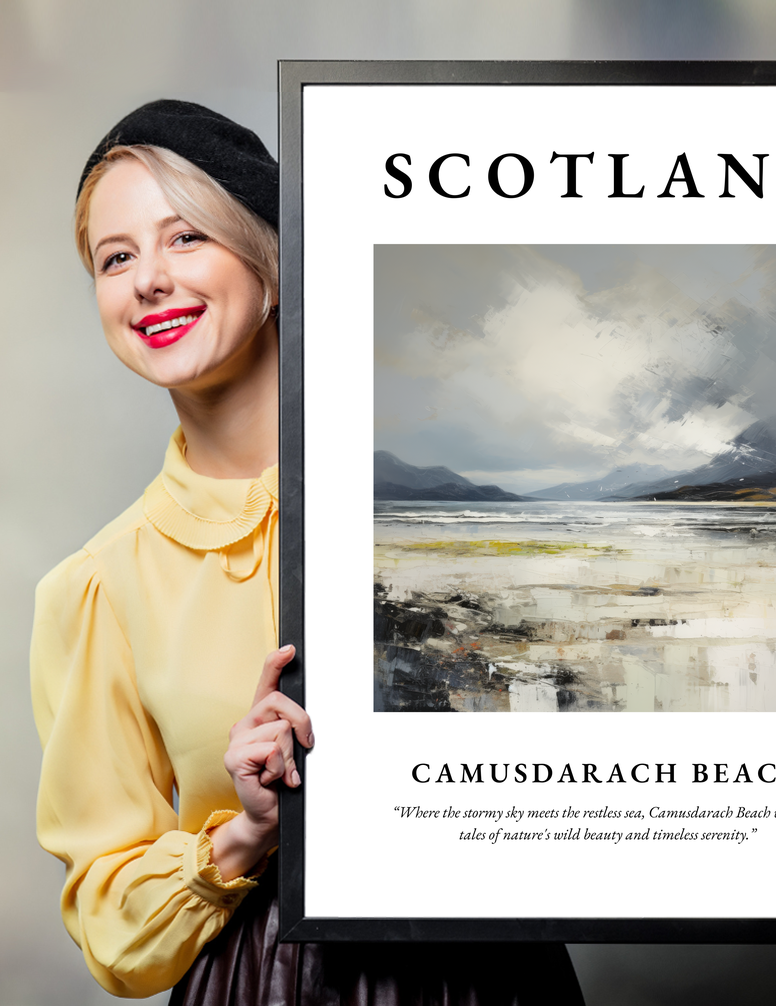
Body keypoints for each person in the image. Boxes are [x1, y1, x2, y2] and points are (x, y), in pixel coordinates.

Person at [30, 100, 586, 1004]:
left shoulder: (436, 513)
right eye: (116, 257)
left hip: (492, 973)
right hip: (262, 982)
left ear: (273, 263)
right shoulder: (97, 587)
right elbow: (110, 924)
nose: (148, 281)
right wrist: (245, 832)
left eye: (186, 239)